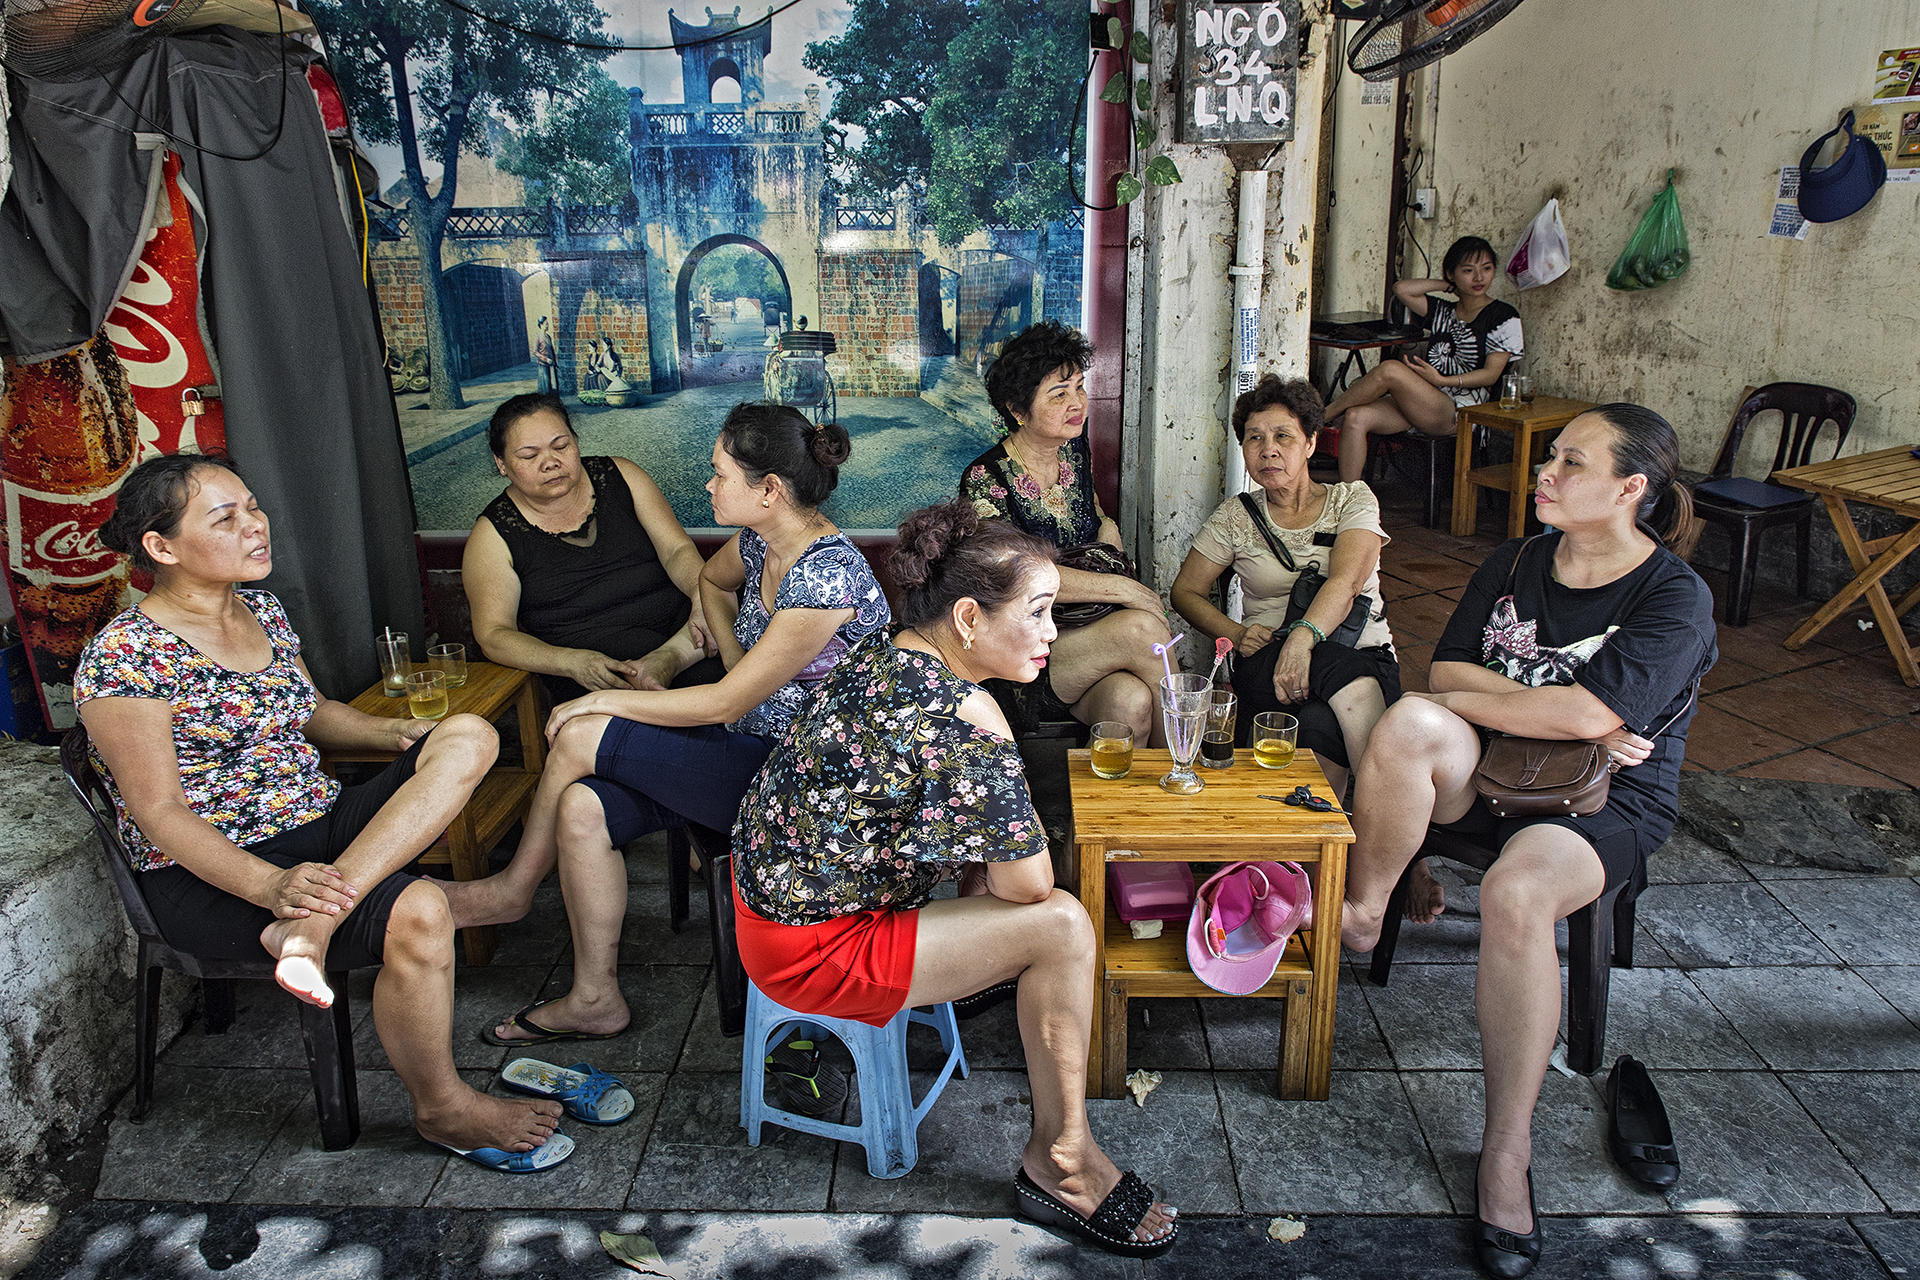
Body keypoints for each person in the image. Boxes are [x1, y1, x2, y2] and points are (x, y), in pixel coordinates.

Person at [74, 454, 570, 1171]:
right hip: (211, 871)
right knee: (422, 910)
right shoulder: (127, 657)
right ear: (161, 547)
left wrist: (393, 736)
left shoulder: (261, 609)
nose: (255, 525)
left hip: (317, 824)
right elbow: (159, 814)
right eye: (225, 518)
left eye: (252, 505)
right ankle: (442, 1109)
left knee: (469, 734)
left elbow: (311, 713)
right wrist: (271, 888)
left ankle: (317, 921)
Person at [731, 500, 1178, 1258]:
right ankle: (1062, 1164)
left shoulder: (887, 649)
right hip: (810, 948)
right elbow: (1031, 889)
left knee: (1005, 887)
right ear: (968, 617)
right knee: (1062, 925)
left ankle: (1000, 1007)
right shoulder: (962, 713)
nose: (1051, 633)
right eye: (1037, 613)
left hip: (772, 904)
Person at [1337, 404, 1714, 1278]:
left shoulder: (1672, 598)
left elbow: (1588, 718)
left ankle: (1507, 1151)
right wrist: (1563, 713)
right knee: (1409, 722)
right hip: (1498, 766)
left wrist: (1573, 716)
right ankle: (1363, 911)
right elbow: (1448, 675)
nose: (1544, 473)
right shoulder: (1514, 560)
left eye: (1569, 463)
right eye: (1550, 458)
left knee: (1516, 892)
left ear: (1630, 489)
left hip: (1605, 801)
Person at [448, 404, 891, 1053]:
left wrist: (605, 704)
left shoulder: (826, 576)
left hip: (805, 782)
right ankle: (595, 997)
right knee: (581, 808)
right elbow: (709, 586)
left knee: (578, 733)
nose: (706, 488)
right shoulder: (758, 542)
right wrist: (727, 658)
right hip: (749, 748)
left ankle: (513, 891)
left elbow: (719, 705)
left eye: (717, 475)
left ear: (769, 490)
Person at [1169, 375, 1398, 803]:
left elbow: (1345, 583)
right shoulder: (1236, 517)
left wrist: (1303, 637)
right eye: (1254, 438)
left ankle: (1320, 849)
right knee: (1344, 688)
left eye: (1283, 436)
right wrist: (1235, 633)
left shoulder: (1352, 500)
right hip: (1269, 660)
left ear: (1311, 442)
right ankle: (1384, 811)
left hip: (1359, 650)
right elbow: (1185, 592)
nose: (1267, 449)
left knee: (1317, 724)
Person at [959, 320, 1171, 744]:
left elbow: (1093, 520)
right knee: (1143, 630)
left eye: (1078, 386)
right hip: (1028, 653)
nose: (1077, 403)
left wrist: (1108, 529)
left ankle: (1118, 812)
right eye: (1058, 394)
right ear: (1018, 412)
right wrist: (1125, 589)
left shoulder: (1074, 451)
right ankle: (1186, 768)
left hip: (1090, 636)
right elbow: (1015, 582)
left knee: (1129, 702)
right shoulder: (986, 478)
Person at [464, 393, 719, 709]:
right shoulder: (492, 535)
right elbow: (493, 634)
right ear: (501, 463)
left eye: (561, 446)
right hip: (593, 667)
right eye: (529, 455)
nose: (551, 462)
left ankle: (669, 659)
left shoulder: (622, 476)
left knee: (723, 622)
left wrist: (700, 594)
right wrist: (570, 662)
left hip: (681, 636)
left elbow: (676, 550)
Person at [1322, 235, 1523, 483]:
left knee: (1391, 370)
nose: (1479, 278)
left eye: (1487, 269)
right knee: (1355, 417)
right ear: (1452, 274)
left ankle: (1323, 415)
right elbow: (1402, 289)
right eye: (1468, 270)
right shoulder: (1443, 311)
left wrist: (1443, 379)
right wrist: (1445, 284)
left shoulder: (1503, 315)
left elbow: (1491, 375)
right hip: (1425, 401)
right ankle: (1349, 498)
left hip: (1462, 411)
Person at [531, 317, 556, 395]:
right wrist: (545, 359)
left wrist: (554, 361)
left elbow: (551, 350)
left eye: (547, 324)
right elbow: (535, 352)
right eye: (546, 324)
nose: (547, 326)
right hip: (543, 365)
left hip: (550, 364)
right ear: (541, 325)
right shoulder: (538, 337)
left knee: (552, 385)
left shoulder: (548, 337)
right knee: (545, 385)